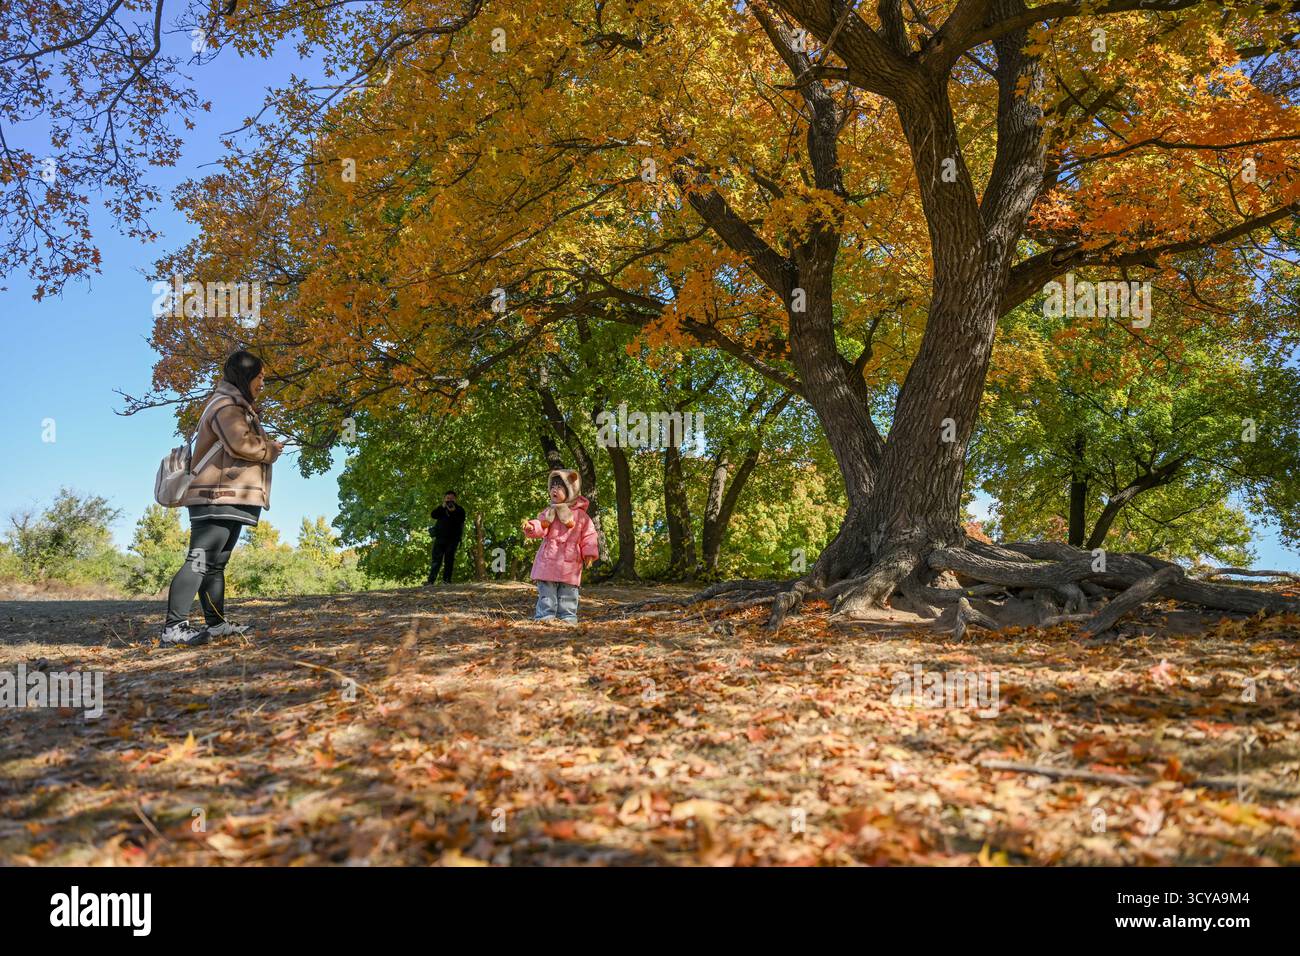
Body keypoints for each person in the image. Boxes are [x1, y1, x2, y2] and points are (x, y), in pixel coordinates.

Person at [160, 351, 284, 647]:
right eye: (260, 377)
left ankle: (215, 625)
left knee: (216, 563)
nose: (263, 382)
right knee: (200, 560)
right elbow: (240, 443)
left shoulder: (235, 406)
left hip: (229, 495)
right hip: (214, 496)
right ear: (245, 376)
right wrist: (270, 449)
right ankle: (173, 627)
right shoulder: (226, 406)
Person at [521, 469, 598, 625]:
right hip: (549, 559)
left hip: (570, 560)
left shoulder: (581, 516)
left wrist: (589, 553)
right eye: (552, 486)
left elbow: (589, 535)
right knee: (547, 593)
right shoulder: (549, 511)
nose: (554, 490)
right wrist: (531, 527)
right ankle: (544, 617)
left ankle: (568, 618)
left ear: (571, 490)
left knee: (568, 592)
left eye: (559, 487)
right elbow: (542, 526)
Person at [427, 490, 466, 584]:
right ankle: (430, 581)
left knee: (449, 560)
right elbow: (433, 515)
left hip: (453, 539)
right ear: (444, 499)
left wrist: (453, 512)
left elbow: (461, 521)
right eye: (448, 498)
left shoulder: (460, 510)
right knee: (436, 560)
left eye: (451, 498)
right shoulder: (441, 508)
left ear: (455, 499)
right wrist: (442, 507)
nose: (449, 500)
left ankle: (446, 580)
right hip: (440, 538)